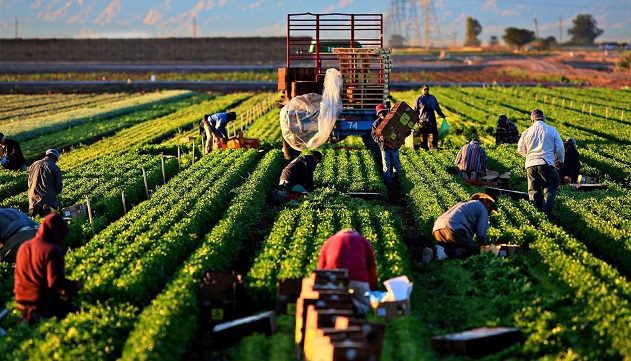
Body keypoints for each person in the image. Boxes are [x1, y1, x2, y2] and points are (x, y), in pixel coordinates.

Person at [14, 214, 84, 324]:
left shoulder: (24, 246)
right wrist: (75, 285)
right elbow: (55, 281)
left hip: (21, 302)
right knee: (77, 314)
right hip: (41, 302)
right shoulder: (52, 250)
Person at [317, 229, 378, 317]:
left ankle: (339, 310)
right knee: (365, 305)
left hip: (335, 278)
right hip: (358, 278)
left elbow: (321, 268)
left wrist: (322, 287)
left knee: (333, 302)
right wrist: (372, 288)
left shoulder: (330, 241)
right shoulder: (363, 240)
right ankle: (357, 309)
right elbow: (371, 267)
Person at [518, 109, 565, 220]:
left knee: (533, 189)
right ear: (543, 118)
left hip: (530, 164)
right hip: (546, 162)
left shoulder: (526, 132)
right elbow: (560, 148)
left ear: (532, 120)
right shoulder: (552, 130)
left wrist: (529, 157)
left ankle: (536, 214)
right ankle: (547, 211)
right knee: (551, 185)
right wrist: (560, 161)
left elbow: (520, 148)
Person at [433, 193, 498, 259]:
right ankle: (445, 253)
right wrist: (486, 244)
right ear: (485, 200)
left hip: (437, 229)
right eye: (491, 207)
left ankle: (440, 251)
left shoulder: (464, 204)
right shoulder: (482, 208)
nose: (490, 211)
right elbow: (481, 234)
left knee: (457, 245)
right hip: (455, 229)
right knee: (474, 250)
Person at [371, 104, 402, 187]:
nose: (382, 113)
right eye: (381, 112)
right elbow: (374, 136)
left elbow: (400, 130)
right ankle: (389, 184)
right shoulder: (376, 124)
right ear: (378, 114)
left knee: (396, 166)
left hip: (394, 147)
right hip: (384, 148)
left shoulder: (392, 120)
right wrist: (379, 139)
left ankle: (396, 180)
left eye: (384, 111)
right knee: (386, 167)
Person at [28, 149, 63, 217]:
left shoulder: (33, 165)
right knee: (48, 223)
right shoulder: (55, 168)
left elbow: (29, 184)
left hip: (33, 198)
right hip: (48, 201)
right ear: (55, 159)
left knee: (35, 222)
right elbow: (58, 188)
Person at [413, 85, 446, 151]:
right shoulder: (418, 99)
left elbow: (437, 107)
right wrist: (416, 121)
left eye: (427, 89)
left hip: (432, 121)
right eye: (425, 89)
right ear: (422, 90)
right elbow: (415, 111)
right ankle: (424, 149)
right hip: (423, 121)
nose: (426, 91)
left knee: (433, 137)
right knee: (423, 138)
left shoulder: (432, 98)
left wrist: (441, 114)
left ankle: (433, 148)